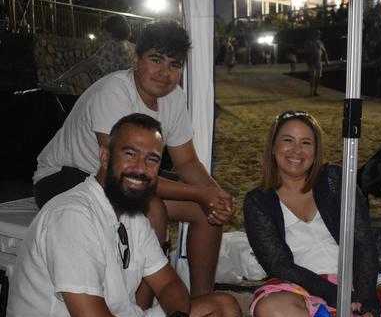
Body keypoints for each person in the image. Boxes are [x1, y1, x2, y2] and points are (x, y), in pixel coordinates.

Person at [32, 20, 235, 297]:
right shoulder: (114, 91)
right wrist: (201, 193)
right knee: (153, 209)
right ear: (135, 60)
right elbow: (125, 173)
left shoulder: (174, 97)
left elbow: (187, 162)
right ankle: (142, 307)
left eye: (175, 65)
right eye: (156, 60)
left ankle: (201, 303)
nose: (165, 72)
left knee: (206, 212)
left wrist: (214, 194)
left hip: (118, 178)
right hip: (62, 177)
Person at [5, 114, 242, 317]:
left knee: (223, 309)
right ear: (105, 156)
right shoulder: (72, 216)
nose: (140, 169)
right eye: (130, 154)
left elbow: (168, 283)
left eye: (152, 160)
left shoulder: (133, 216)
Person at [244, 111, 381, 317]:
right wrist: (337, 296)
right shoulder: (258, 201)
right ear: (273, 147)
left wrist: (366, 299)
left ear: (316, 151)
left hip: (358, 280)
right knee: (272, 310)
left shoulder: (335, 179)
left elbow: (363, 242)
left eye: (306, 142)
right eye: (288, 140)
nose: (297, 150)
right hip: (300, 287)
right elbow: (278, 264)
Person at [48, 15, 135, 94]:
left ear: (112, 31)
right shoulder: (132, 46)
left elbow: (87, 63)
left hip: (117, 91)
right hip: (131, 91)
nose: (101, 34)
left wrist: (60, 80)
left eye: (104, 31)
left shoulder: (112, 45)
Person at [303, 30, 329, 97]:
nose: (318, 36)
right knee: (312, 77)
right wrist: (307, 61)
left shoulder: (320, 43)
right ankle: (311, 92)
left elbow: (324, 52)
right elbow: (306, 53)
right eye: (317, 34)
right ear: (313, 34)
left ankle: (315, 91)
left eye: (319, 34)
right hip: (311, 62)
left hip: (319, 62)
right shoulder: (309, 42)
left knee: (318, 77)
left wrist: (326, 60)